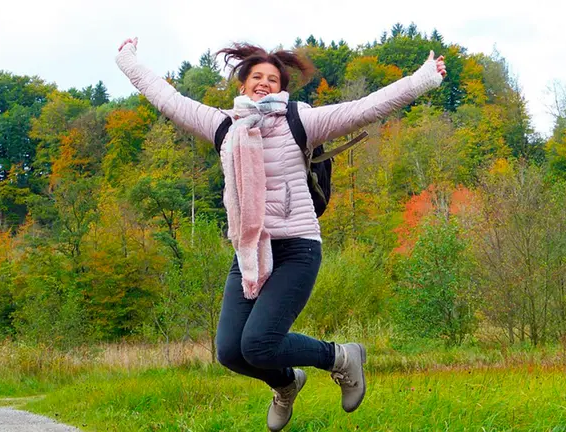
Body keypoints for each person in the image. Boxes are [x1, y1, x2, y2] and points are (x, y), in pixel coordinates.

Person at [115, 37, 446, 431]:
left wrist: (421, 80)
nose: (264, 83)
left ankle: (341, 357)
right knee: (231, 352)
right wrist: (128, 62)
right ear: (242, 85)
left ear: (282, 87)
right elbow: (168, 99)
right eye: (256, 76)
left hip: (297, 248)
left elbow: (365, 108)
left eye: (273, 79)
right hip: (251, 250)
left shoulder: (300, 120)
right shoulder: (224, 125)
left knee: (259, 343)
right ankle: (287, 383)